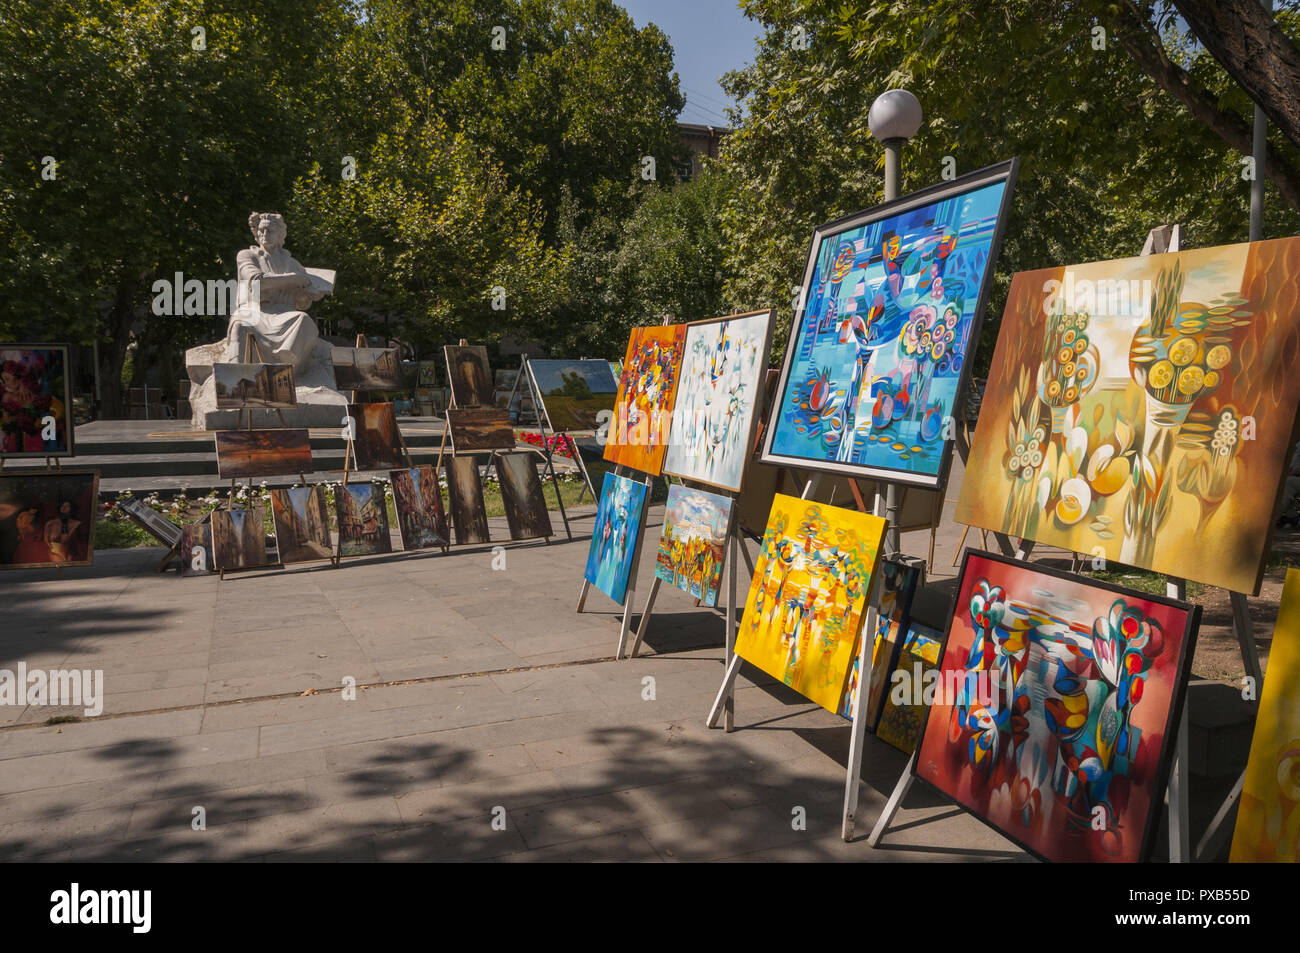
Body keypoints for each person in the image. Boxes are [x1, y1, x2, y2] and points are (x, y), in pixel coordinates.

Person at [224, 212, 330, 367]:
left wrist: (308, 295)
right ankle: (235, 375)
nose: (264, 234)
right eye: (261, 230)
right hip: (257, 311)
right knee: (241, 323)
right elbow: (256, 281)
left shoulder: (293, 264)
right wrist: (295, 279)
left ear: (280, 235)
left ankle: (287, 369)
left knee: (303, 320)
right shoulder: (247, 255)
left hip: (285, 314)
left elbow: (301, 304)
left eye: (270, 231)